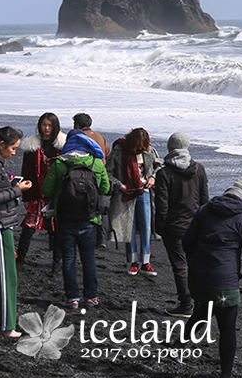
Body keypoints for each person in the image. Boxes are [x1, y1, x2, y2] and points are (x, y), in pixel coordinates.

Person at [184, 169, 242, 378]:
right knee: (227, 327)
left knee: (203, 309)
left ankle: (178, 346)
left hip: (197, 277)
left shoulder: (206, 210)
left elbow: (186, 242)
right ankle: (225, 377)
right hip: (224, 283)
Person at [42, 129, 109, 310]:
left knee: (69, 259)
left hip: (65, 218)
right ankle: (91, 297)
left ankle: (72, 298)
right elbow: (105, 189)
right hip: (90, 219)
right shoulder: (96, 162)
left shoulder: (59, 163)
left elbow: (46, 190)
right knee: (88, 259)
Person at [154, 132, 208, 318]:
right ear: (187, 147)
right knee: (196, 264)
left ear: (170, 148)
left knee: (180, 265)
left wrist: (159, 227)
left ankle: (186, 305)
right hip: (196, 224)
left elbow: (162, 205)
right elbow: (204, 200)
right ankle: (200, 302)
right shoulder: (199, 169)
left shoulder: (164, 173)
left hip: (174, 226)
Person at [0, 125, 29, 338]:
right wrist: (18, 189)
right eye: (13, 148)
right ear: (1, 145)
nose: (14, 153)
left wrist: (9, 185)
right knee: (3, 276)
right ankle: (3, 326)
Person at [106, 127, 161, 276]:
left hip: (144, 191)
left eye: (143, 147)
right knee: (128, 226)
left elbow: (159, 166)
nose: (141, 150)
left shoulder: (149, 151)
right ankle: (133, 262)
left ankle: (146, 262)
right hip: (126, 193)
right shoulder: (119, 150)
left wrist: (152, 178)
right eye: (138, 148)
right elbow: (108, 172)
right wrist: (119, 185)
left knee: (146, 227)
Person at [16, 113, 66, 268]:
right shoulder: (32, 146)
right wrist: (26, 198)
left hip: (55, 196)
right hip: (37, 193)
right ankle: (20, 260)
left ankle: (56, 263)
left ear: (55, 126)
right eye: (44, 124)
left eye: (50, 125)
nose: (46, 128)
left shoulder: (63, 146)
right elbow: (27, 172)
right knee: (29, 227)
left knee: (55, 229)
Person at [73, 113, 110, 247]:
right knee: (101, 205)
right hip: (100, 171)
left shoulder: (78, 137)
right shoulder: (99, 136)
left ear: (76, 125)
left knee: (84, 205)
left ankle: (84, 236)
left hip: (85, 174)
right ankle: (103, 239)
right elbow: (107, 152)